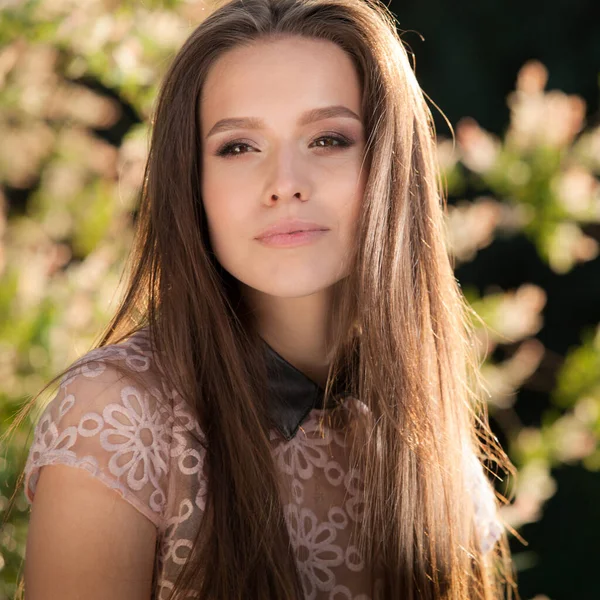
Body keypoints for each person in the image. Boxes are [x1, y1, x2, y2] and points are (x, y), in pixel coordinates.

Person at [8, 0, 518, 598]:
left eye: (328, 139)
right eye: (238, 147)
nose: (284, 184)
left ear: (390, 165)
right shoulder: (116, 419)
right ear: (191, 185)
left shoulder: (424, 426)